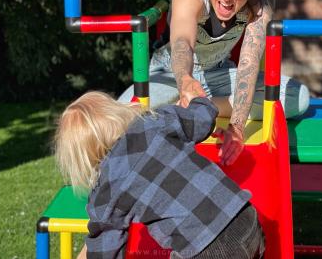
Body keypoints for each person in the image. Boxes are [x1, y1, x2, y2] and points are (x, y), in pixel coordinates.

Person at [119, 0, 309, 166]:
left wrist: (237, 126)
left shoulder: (259, 7)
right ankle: (186, 104)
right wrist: (186, 81)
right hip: (171, 74)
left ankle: (202, 107)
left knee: (299, 97)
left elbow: (249, 65)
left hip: (219, 75)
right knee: (124, 116)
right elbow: (181, 43)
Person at [54, 91, 265, 259]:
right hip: (247, 219)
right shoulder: (153, 122)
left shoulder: (106, 191)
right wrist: (199, 101)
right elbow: (202, 118)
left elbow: (103, 250)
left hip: (207, 249)